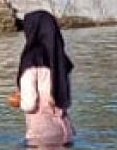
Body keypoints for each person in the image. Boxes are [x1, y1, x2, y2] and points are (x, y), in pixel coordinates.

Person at [7, 10, 75, 147]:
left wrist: (18, 102)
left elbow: (30, 104)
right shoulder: (60, 59)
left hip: (42, 134)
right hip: (66, 131)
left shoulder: (30, 60)